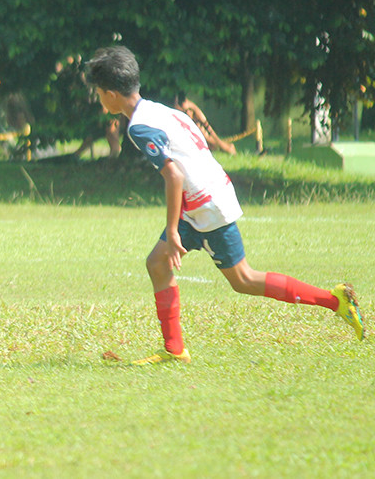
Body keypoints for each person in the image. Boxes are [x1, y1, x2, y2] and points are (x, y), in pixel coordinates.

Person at [84, 45, 364, 365]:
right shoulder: (160, 110)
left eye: (98, 93)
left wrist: (174, 231)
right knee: (157, 263)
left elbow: (173, 176)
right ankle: (175, 350)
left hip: (206, 206)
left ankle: (335, 300)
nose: (99, 99)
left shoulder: (138, 126)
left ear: (110, 94)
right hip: (202, 199)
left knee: (243, 279)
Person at [173, 90, 237, 155]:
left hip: (203, 131)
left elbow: (205, 122)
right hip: (196, 132)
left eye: (176, 104)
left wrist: (216, 138)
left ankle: (230, 149)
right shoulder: (185, 108)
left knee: (216, 144)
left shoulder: (192, 108)